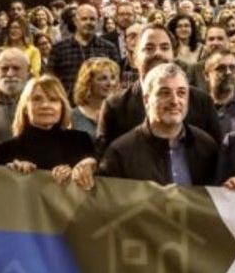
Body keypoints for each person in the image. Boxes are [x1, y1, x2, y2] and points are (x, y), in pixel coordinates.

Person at [76, 64, 218, 187]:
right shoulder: (120, 153)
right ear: (146, 100)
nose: (175, 100)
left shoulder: (207, 146)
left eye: (181, 93)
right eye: (165, 93)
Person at [98, 24, 223, 148]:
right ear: (135, 58)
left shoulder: (202, 102)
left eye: (164, 48)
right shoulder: (115, 106)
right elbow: (105, 158)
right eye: (149, 48)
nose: (157, 53)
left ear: (173, 56)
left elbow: (218, 154)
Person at [1, 75, 95, 173]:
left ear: (62, 106)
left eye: (53, 100)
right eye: (37, 99)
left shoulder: (81, 141)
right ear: (25, 108)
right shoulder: (7, 150)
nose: (45, 105)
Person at [49, 4, 119, 93]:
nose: (88, 22)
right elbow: (51, 81)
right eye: (84, 19)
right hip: (68, 104)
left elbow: (116, 79)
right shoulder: (59, 49)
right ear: (75, 21)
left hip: (101, 104)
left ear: (97, 22)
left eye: (92, 19)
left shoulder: (109, 48)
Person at [0, 48, 30, 143]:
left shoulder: (39, 100)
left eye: (16, 68)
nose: (10, 73)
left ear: (28, 71)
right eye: (4, 68)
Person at [71, 57, 120, 139]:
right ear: (88, 83)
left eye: (113, 78)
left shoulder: (121, 114)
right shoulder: (72, 116)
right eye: (103, 78)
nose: (110, 83)